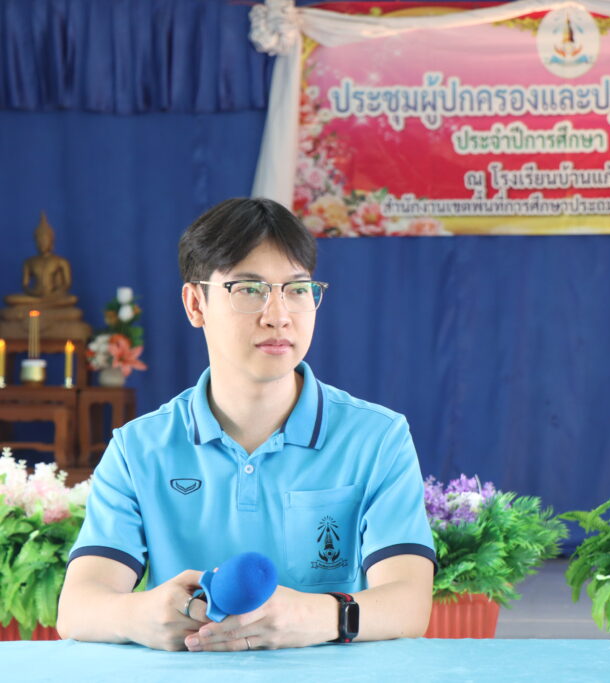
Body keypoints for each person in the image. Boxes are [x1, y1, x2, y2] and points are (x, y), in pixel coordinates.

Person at [57, 198, 436, 651]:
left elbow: (409, 604)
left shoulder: (377, 439)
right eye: (249, 289)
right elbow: (77, 608)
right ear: (195, 304)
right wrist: (140, 615)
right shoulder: (139, 448)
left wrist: (311, 617)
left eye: (297, 289)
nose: (278, 315)